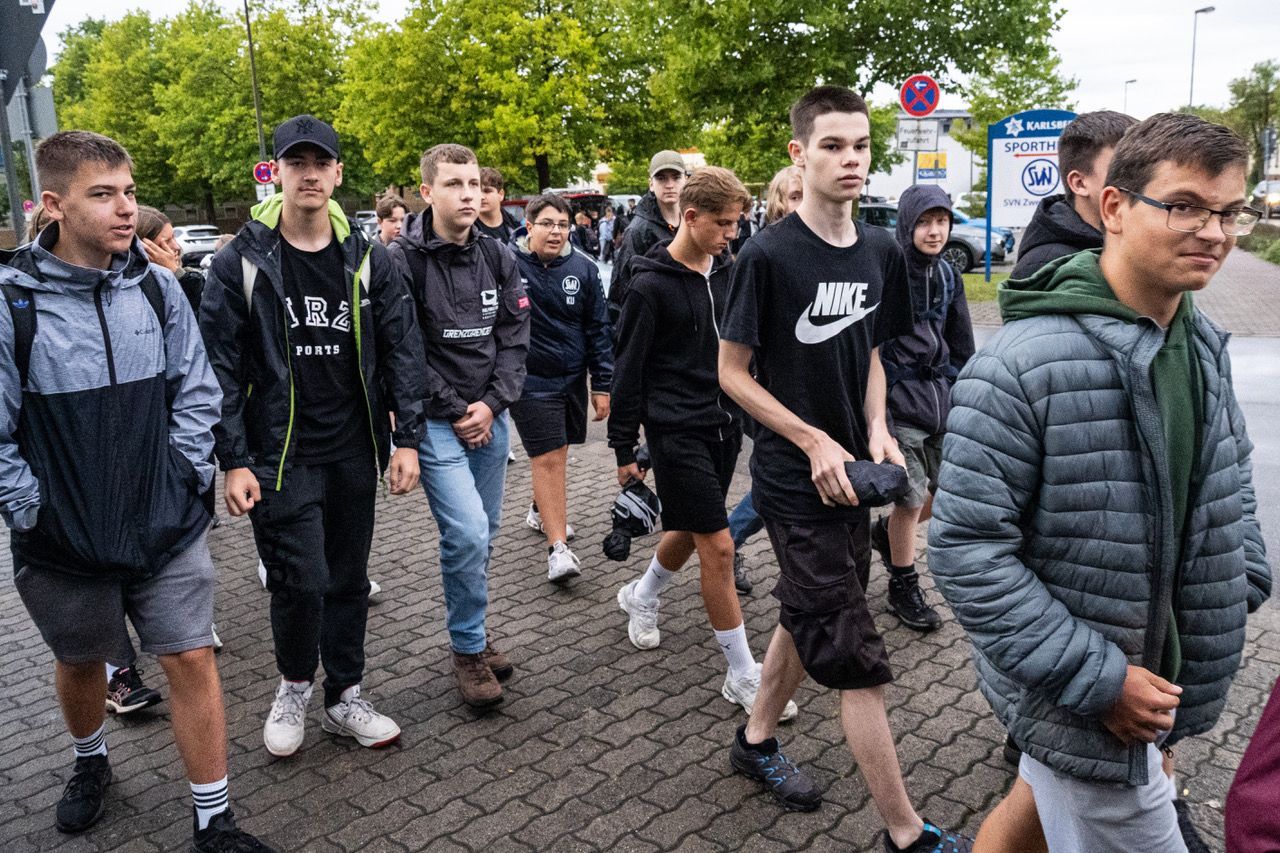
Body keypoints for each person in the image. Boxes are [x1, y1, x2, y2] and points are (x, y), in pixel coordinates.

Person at [928, 112, 1271, 853]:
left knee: (1030, 807)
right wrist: (1101, 680)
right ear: (1113, 207)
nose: (1213, 232)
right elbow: (965, 550)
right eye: (1184, 206)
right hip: (1088, 699)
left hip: (1157, 693)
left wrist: (1241, 570)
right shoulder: (1018, 365)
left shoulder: (1199, 343)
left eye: (1228, 212)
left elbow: (1230, 469)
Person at [0, 130, 273, 850]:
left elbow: (197, 388)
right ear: (54, 205)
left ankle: (214, 819)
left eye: (129, 192)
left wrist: (184, 475)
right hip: (62, 536)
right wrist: (32, 509)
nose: (126, 208)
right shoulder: (12, 305)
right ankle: (90, 759)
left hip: (166, 522)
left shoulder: (156, 287)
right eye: (103, 194)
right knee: (80, 661)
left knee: (190, 655)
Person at [718, 87, 970, 853]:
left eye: (860, 144)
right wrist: (811, 440)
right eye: (832, 145)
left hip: (855, 477)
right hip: (796, 485)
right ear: (800, 154)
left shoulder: (882, 250)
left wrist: (876, 426)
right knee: (859, 658)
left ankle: (755, 739)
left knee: (810, 608)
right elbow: (731, 372)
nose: (850, 158)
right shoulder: (766, 256)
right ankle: (906, 833)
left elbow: (872, 352)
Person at [202, 115, 427, 758]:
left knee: (349, 579)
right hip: (280, 454)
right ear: (276, 172)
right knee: (300, 580)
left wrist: (407, 439)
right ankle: (295, 684)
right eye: (295, 163)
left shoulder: (366, 257)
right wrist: (233, 459)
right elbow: (219, 366)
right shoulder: (242, 260)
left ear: (337, 172)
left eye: (320, 162)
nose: (309, 174)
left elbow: (401, 347)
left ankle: (344, 695)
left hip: (353, 448)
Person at [611, 166, 800, 726]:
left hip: (724, 427)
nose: (732, 234)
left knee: (692, 530)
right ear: (690, 217)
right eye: (723, 224)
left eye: (737, 223)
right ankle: (742, 674)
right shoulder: (649, 286)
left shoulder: (731, 273)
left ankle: (642, 595)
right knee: (719, 547)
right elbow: (628, 371)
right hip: (674, 432)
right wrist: (624, 449)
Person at [386, 143, 531, 708]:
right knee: (467, 533)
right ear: (427, 192)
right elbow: (403, 350)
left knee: (484, 536)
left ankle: (474, 631)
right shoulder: (401, 260)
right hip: (437, 422)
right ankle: (467, 650)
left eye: (474, 184)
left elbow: (514, 338)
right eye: (454, 184)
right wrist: (456, 409)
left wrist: (492, 405)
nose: (469, 194)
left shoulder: (498, 254)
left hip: (490, 417)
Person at [866, 185, 973, 632]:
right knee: (910, 501)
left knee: (947, 490)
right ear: (908, 223)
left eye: (942, 221)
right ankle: (903, 586)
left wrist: (962, 396)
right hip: (901, 407)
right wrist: (882, 421)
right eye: (925, 222)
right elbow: (871, 349)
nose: (934, 231)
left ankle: (885, 534)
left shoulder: (948, 275)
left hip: (941, 406)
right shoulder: (888, 273)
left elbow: (962, 345)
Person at [509, 193, 612, 582]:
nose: (556, 232)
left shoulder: (584, 269)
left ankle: (540, 510)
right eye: (547, 224)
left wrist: (601, 383)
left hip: (571, 379)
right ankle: (558, 550)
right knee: (548, 457)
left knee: (559, 451)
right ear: (529, 226)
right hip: (528, 380)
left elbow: (599, 329)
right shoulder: (506, 263)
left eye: (563, 225)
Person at [726, 164, 804, 595]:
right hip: (772, 393)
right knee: (779, 483)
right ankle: (727, 542)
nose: (802, 204)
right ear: (777, 203)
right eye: (794, 196)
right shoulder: (762, 255)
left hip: (815, 393)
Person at [1012, 111, 1137, 278]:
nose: (1141, 181)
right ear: (1079, 183)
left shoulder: (1127, 244)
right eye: (1122, 170)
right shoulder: (1046, 267)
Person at [607, 150, 687, 326]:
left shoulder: (692, 223)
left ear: (685, 180)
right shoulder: (637, 232)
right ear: (651, 184)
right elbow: (621, 292)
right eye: (661, 178)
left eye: (676, 177)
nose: (669, 185)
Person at [476, 167, 521, 244]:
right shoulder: (466, 229)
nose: (481, 197)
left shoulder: (517, 226)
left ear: (501, 194)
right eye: (477, 192)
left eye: (487, 191)